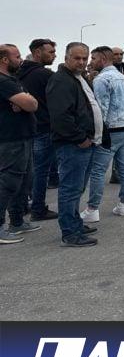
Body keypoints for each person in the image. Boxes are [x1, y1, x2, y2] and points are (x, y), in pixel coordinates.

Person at [46, 42, 101, 247]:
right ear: (66, 58)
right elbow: (61, 117)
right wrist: (80, 138)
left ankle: (75, 224)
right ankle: (70, 233)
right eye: (76, 58)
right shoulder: (61, 81)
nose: (81, 62)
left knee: (77, 188)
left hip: (86, 142)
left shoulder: (78, 78)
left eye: (84, 58)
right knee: (70, 189)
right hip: (73, 145)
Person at [81, 46, 124, 222]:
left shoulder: (101, 80)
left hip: (109, 130)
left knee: (98, 170)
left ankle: (92, 208)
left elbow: (100, 108)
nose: (90, 62)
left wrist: (94, 133)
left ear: (103, 59)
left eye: (93, 58)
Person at [0, 44, 41, 243]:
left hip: (23, 136)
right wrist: (25, 102)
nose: (21, 60)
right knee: (9, 182)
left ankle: (17, 221)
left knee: (24, 181)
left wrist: (24, 101)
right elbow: (31, 104)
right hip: (11, 139)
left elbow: (29, 102)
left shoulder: (12, 80)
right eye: (16, 57)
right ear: (4, 60)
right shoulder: (3, 81)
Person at [16, 38, 58, 221]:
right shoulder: (45, 75)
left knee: (26, 171)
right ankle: (38, 208)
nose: (54, 55)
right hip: (44, 127)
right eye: (51, 52)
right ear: (37, 53)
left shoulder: (17, 73)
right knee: (41, 171)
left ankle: (21, 206)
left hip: (25, 128)